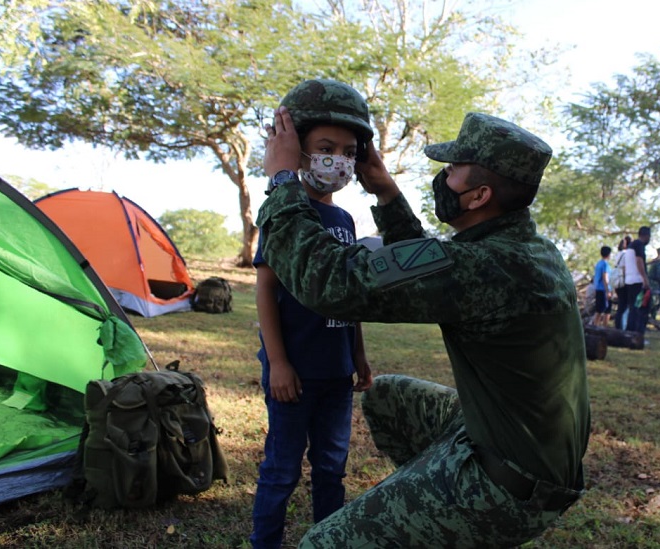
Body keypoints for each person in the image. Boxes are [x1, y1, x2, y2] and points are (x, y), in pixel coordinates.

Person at [258, 106, 590, 547]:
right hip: (515, 448)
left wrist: (282, 182)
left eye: (452, 170)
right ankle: (433, 507)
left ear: (478, 196)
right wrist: (386, 193)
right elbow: (419, 264)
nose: (442, 177)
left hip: (509, 487)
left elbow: (332, 284)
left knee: (321, 544)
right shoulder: (522, 248)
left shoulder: (486, 266)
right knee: (388, 397)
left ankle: (456, 509)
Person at [250, 79, 374, 549]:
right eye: (325, 147)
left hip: (337, 372)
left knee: (331, 467)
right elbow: (265, 289)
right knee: (281, 469)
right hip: (294, 373)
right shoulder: (283, 211)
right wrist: (278, 362)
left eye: (347, 151)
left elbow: (350, 294)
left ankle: (329, 539)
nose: (337, 159)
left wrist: (358, 355)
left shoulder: (344, 221)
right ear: (297, 151)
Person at [625, 226, 652, 336]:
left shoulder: (631, 245)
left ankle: (629, 332)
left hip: (629, 280)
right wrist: (645, 279)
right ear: (646, 236)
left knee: (633, 308)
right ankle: (637, 333)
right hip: (637, 280)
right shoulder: (639, 245)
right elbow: (639, 261)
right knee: (641, 309)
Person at [612, 235, 633, 330]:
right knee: (623, 305)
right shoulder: (626, 254)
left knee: (621, 305)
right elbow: (625, 268)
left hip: (617, 282)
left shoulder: (618, 254)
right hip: (623, 282)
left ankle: (618, 324)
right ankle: (620, 326)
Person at [592, 245, 613, 326]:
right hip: (604, 289)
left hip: (598, 289)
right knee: (607, 311)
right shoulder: (605, 264)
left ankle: (595, 326)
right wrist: (608, 290)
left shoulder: (598, 264)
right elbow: (605, 277)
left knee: (599, 310)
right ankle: (604, 328)